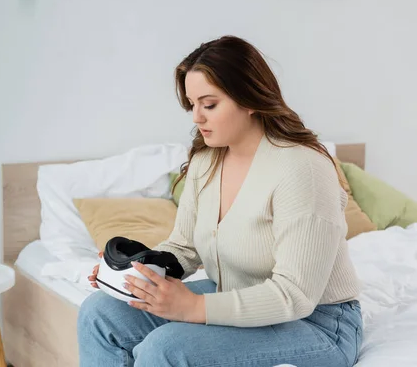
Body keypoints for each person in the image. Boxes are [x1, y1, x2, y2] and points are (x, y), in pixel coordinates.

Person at [77, 35, 363, 367]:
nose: (197, 117)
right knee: (99, 313)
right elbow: (184, 248)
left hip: (318, 324)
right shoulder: (207, 160)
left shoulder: (302, 169)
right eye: (192, 104)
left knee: (167, 348)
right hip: (232, 295)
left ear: (250, 98)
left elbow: (295, 295)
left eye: (209, 104)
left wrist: (195, 308)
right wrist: (137, 273)